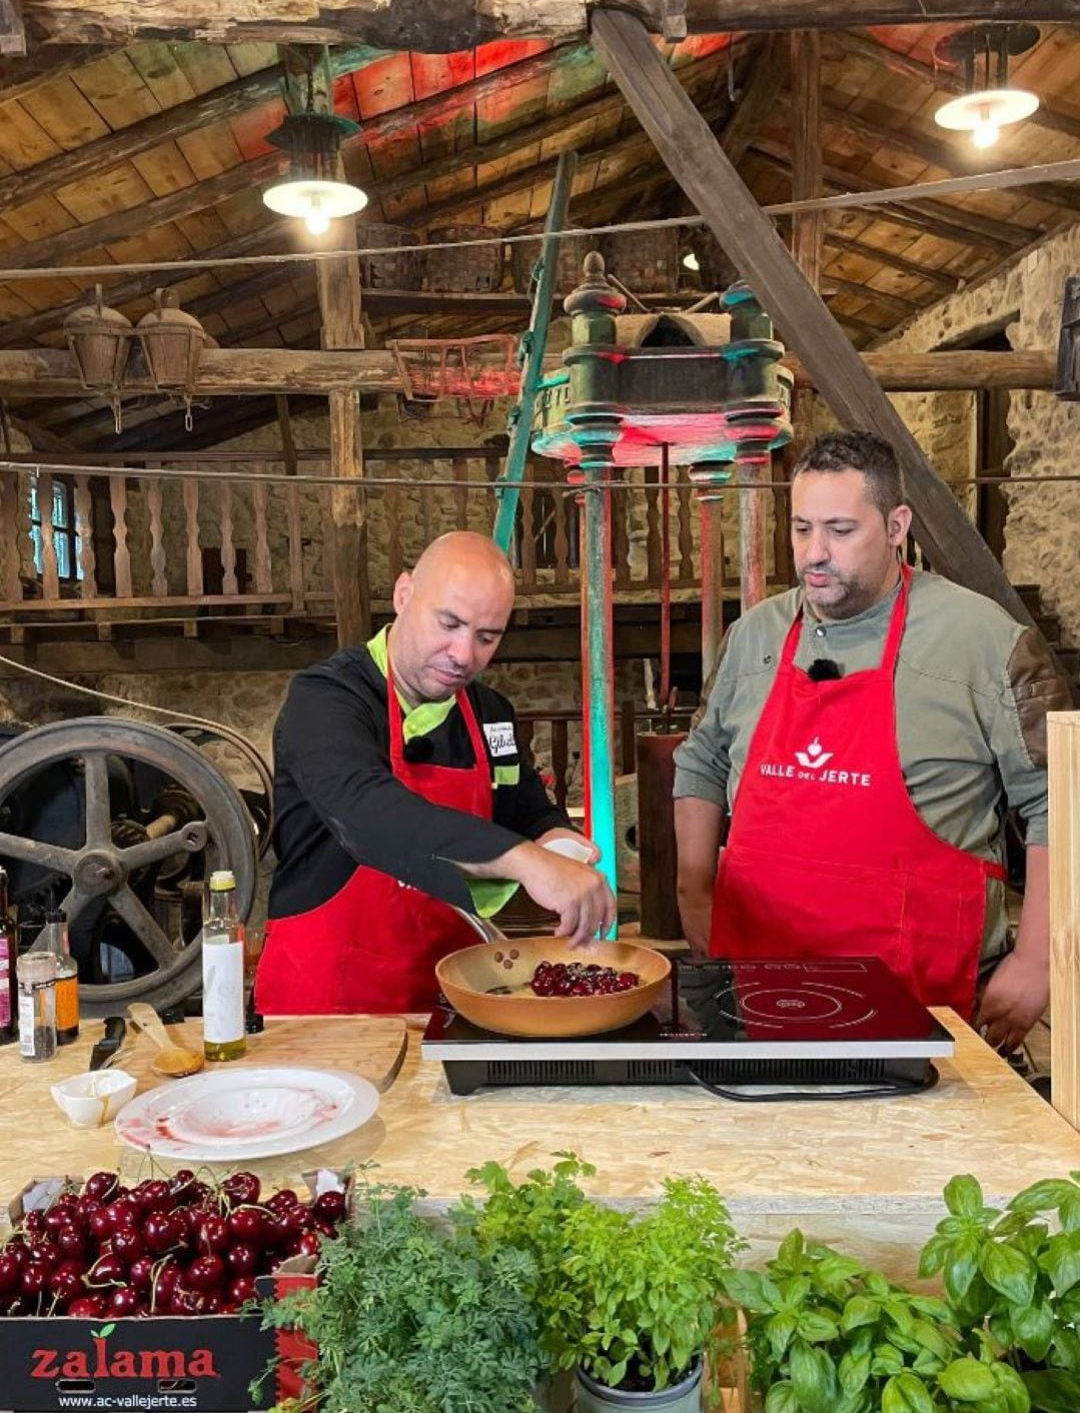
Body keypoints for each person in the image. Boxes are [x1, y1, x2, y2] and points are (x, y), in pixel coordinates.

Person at [673, 430, 1071, 1053]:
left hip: (927, 1005)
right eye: (802, 528)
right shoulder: (754, 637)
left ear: (896, 526)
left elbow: (1062, 799)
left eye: (840, 529)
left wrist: (1039, 958)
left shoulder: (984, 641)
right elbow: (701, 762)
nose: (815, 554)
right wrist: (692, 891)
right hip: (760, 994)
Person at [257, 531, 615, 1015]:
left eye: (487, 637)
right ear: (404, 595)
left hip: (455, 1000)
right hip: (327, 1007)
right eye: (449, 623)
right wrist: (527, 862)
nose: (464, 655)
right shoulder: (326, 700)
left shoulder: (490, 715)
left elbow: (528, 810)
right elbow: (370, 814)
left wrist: (562, 848)